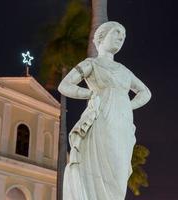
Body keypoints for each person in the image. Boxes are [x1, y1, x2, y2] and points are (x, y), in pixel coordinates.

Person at [58, 21, 151, 200]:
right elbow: (65, 85)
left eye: (123, 36)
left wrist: (125, 106)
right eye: (116, 33)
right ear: (101, 36)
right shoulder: (91, 64)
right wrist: (91, 94)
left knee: (119, 171)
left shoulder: (124, 71)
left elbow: (145, 93)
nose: (120, 38)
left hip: (122, 125)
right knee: (99, 171)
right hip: (102, 121)